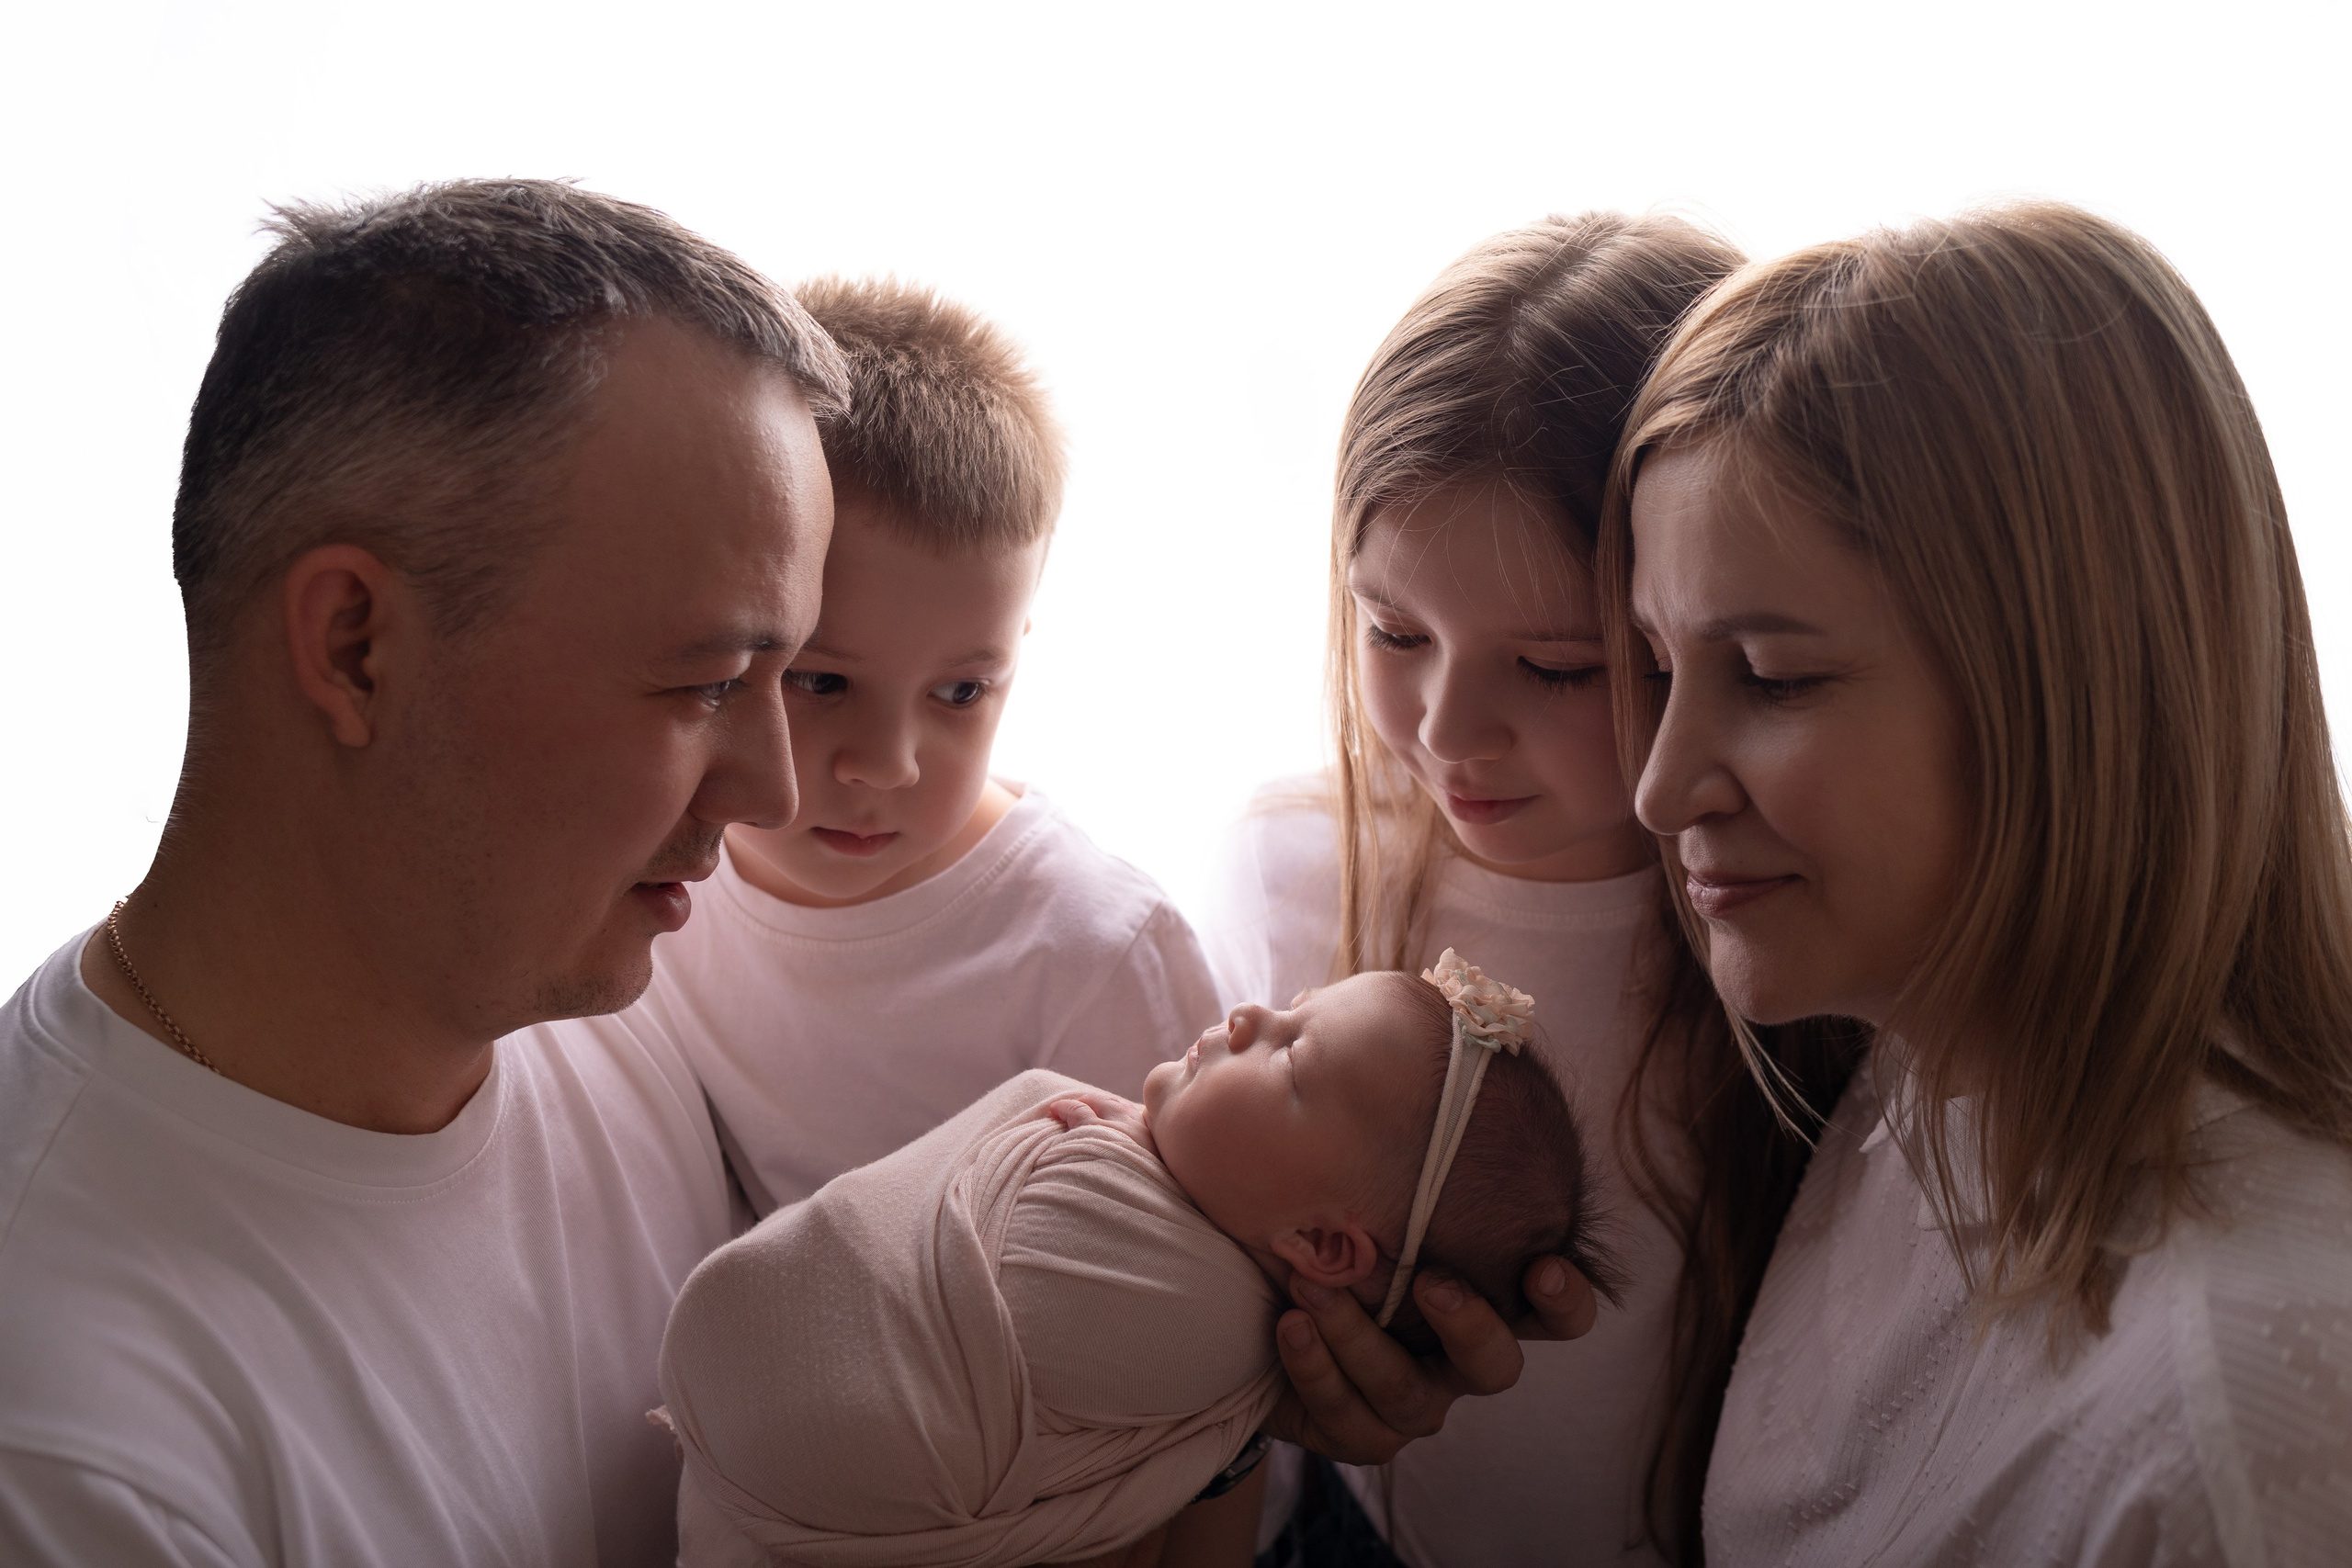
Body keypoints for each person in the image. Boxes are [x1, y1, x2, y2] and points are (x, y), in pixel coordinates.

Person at [0, 181, 845, 1566]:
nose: (775, 793)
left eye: (783, 672)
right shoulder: (76, 1453)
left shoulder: (617, 1006)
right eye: (703, 681)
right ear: (355, 648)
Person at [1609, 201, 2352, 1564]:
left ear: (2077, 691)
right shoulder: (1919, 1080)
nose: (1659, 789)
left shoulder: (2236, 1427)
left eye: (1771, 677)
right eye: (1660, 669)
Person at [1206, 212, 1854, 1565]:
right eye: (1394, 632)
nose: (1446, 728)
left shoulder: (1800, 922)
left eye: (1554, 665)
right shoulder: (1294, 868)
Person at [659, 955, 1608, 1568]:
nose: (1246, 1015)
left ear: (1322, 1246)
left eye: (1288, 1057)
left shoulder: (1194, 1317)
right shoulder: (1159, 1199)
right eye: (1289, 1007)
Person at [637, 276, 1218, 1214]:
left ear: (1015, 653)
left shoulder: (1092, 951)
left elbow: (1205, 1269)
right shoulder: (652, 880)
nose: (887, 764)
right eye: (820, 681)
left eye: (961, 692)